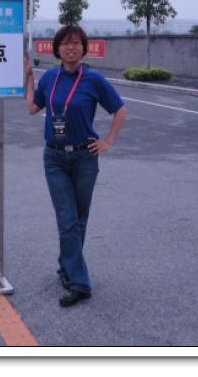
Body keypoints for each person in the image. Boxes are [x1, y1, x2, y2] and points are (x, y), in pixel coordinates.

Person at [24, 25, 126, 307]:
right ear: (57, 49)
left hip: (85, 157)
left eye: (76, 43)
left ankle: (65, 267)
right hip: (55, 158)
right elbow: (32, 108)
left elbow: (119, 109)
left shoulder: (94, 80)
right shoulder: (49, 77)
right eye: (66, 43)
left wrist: (107, 142)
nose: (71, 48)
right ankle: (80, 283)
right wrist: (29, 77)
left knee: (78, 221)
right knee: (67, 220)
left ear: (84, 48)